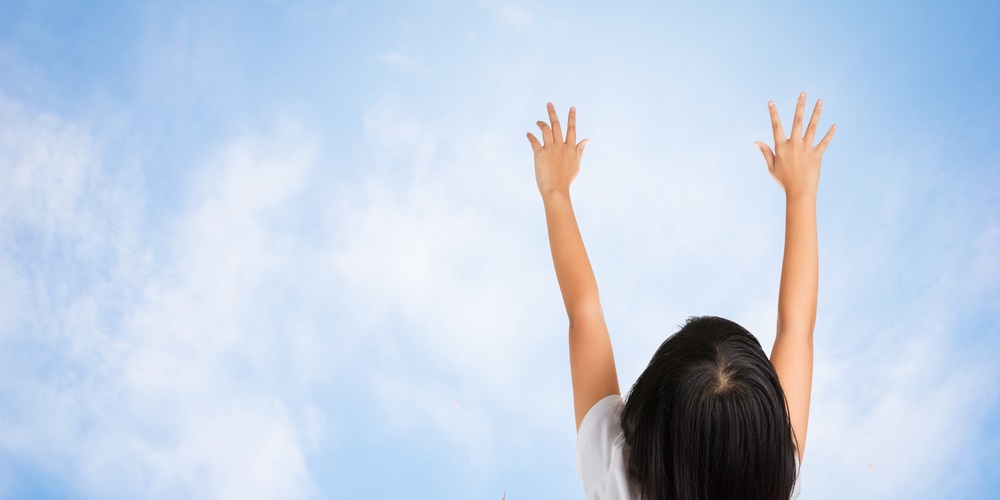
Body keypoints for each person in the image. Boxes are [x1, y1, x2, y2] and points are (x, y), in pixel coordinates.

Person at [526, 93, 836, 499]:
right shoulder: (772, 471)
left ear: (650, 414)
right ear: (767, 432)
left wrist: (554, 191)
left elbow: (584, 312)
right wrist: (801, 194)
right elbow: (797, 329)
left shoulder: (615, 471)